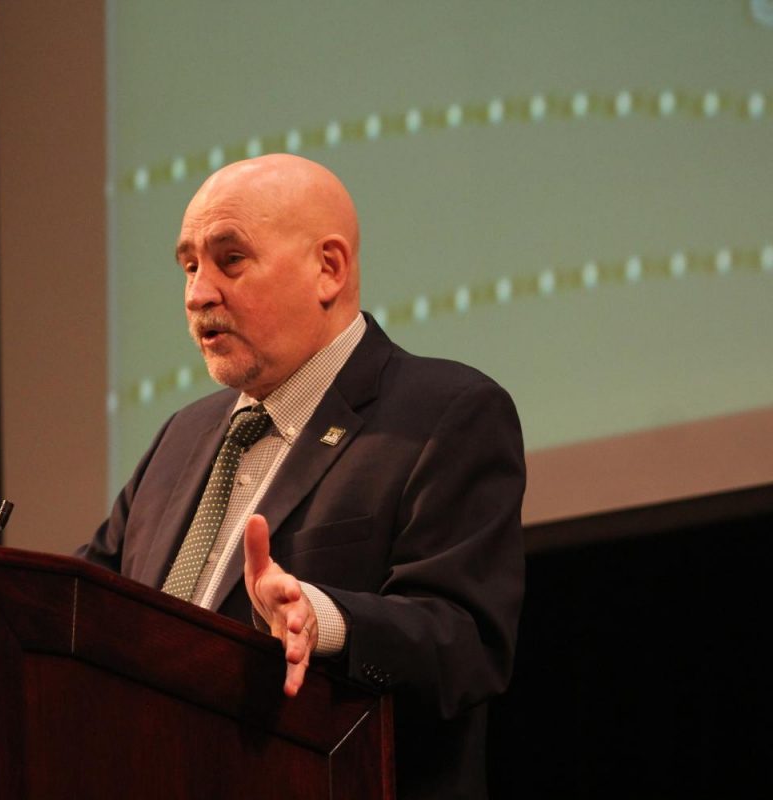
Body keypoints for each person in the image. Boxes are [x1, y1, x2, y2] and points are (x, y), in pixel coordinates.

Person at [78, 154, 525, 800]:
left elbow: (465, 644)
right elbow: (86, 605)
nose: (199, 293)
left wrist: (325, 619)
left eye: (229, 260)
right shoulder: (182, 438)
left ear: (329, 268)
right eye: (189, 265)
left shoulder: (445, 415)